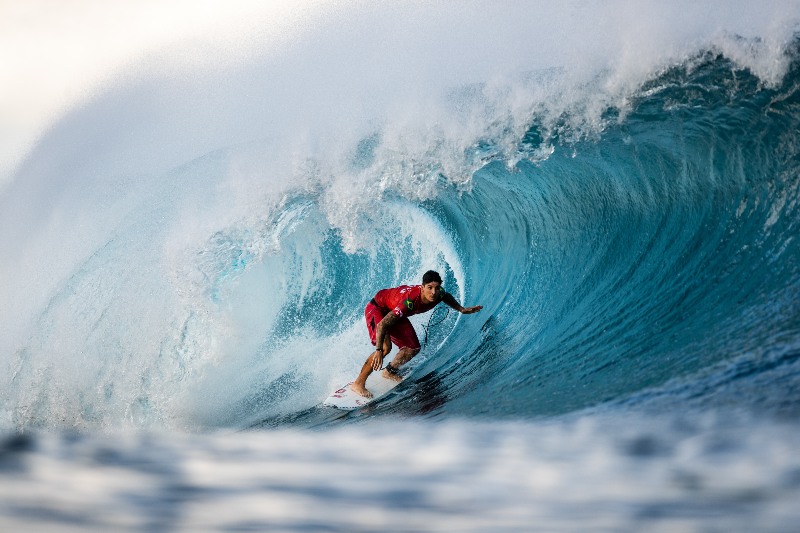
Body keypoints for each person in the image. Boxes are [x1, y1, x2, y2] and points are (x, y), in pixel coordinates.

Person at [351, 270, 483, 398]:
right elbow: (382, 325)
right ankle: (358, 383)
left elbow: (446, 296)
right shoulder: (409, 302)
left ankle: (389, 371)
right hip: (378, 308)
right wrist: (379, 350)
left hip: (394, 311)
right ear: (422, 287)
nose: (433, 292)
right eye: (429, 288)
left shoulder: (439, 293)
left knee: (412, 348)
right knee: (386, 347)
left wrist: (461, 309)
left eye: (437, 288)